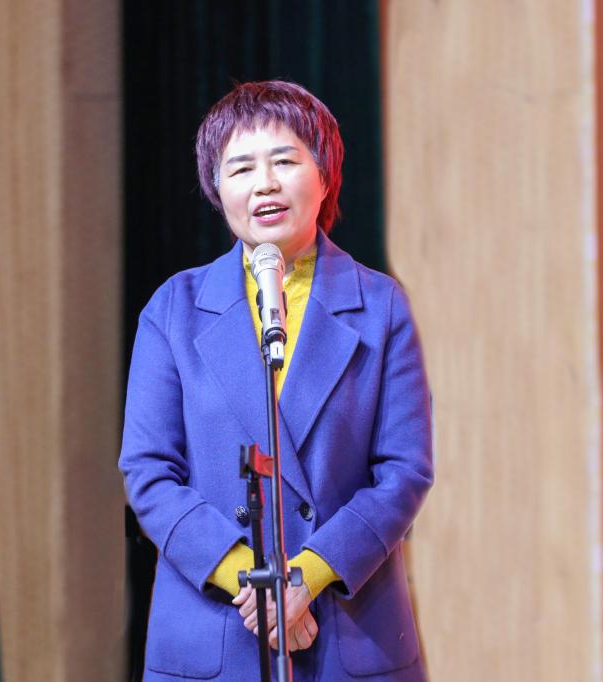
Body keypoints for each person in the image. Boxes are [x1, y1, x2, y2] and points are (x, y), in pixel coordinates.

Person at [119, 80, 433, 681]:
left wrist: (305, 578)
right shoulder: (174, 310)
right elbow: (149, 471)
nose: (264, 183)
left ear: (325, 175)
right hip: (217, 627)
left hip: (345, 626)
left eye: (285, 161)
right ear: (218, 190)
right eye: (240, 168)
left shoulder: (380, 306)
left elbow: (404, 471)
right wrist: (254, 582)